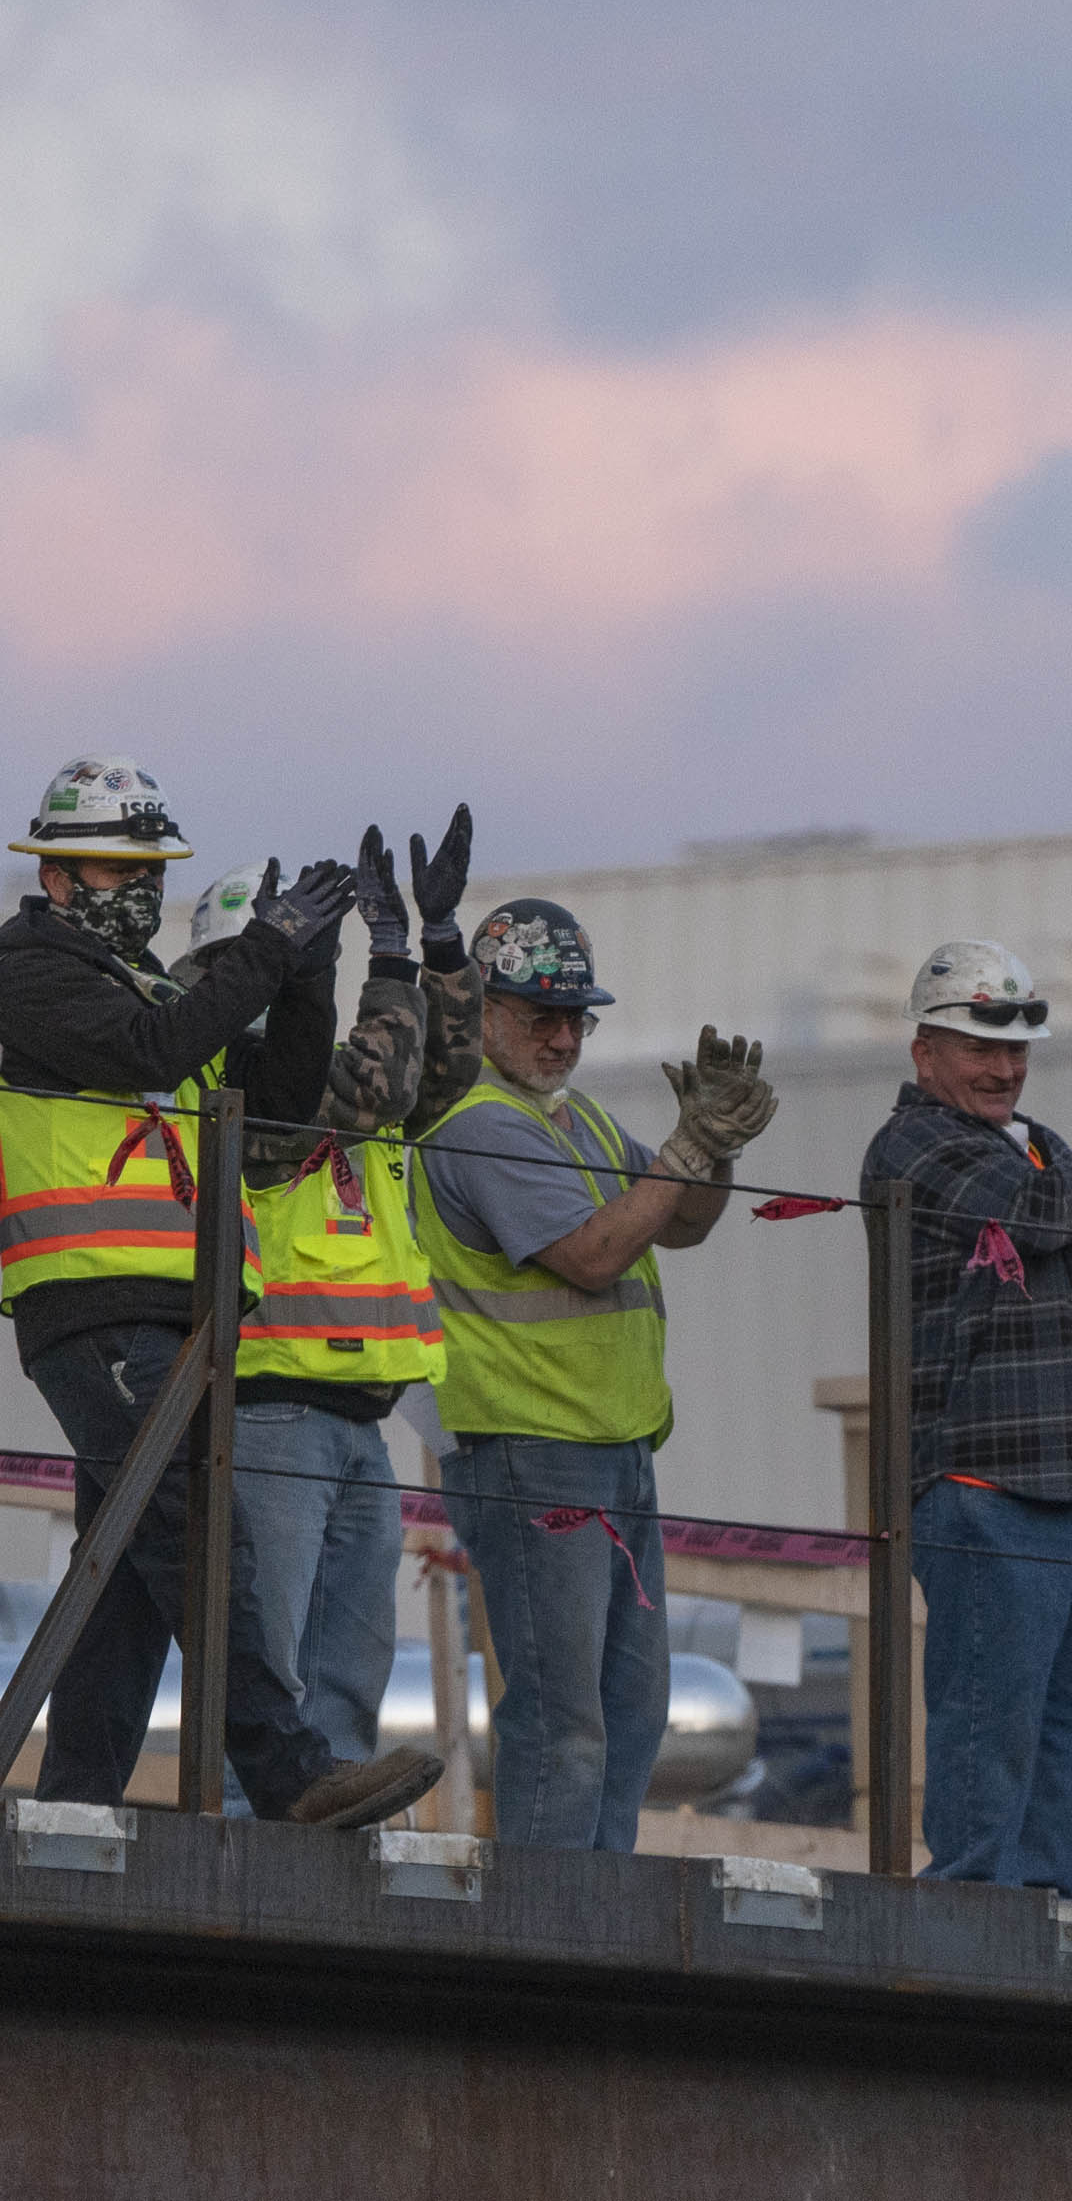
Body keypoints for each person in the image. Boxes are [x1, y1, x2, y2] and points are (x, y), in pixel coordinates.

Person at [0, 754, 441, 1826]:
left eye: (148, 866)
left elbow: (279, 1118)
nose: (138, 888)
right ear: (57, 878)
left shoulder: (141, 982)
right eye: (116, 868)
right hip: (93, 1299)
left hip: (177, 1315)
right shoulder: (25, 971)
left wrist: (305, 980)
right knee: (199, 1536)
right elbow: (155, 1048)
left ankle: (73, 1809)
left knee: (128, 1578)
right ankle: (291, 1774)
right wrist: (264, 947)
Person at [411, 899, 777, 1850]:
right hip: (534, 1450)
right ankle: (550, 1927)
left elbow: (682, 1221)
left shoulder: (570, 1120)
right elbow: (591, 1255)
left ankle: (591, 1911)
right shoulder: (481, 1124)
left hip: (605, 1446)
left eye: (576, 1019)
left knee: (626, 1711)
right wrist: (691, 1149)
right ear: (486, 1013)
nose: (564, 1037)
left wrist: (715, 1148)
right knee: (565, 1717)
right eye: (542, 1016)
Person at [859, 940, 1072, 1896]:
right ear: (924, 1052)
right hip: (983, 1485)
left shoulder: (1030, 1140)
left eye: (1017, 1049)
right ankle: (967, 1913)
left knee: (1068, 1721)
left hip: (1064, 1487)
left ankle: (1038, 1909)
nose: (1004, 1067)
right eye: (979, 1046)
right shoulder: (916, 1146)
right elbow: (1043, 1217)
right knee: (987, 1716)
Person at [177, 811, 481, 1788]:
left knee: (346, 1680)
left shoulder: (321, 1062)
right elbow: (380, 1084)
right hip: (271, 1405)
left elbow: (438, 1075)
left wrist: (436, 950)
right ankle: (240, 1869)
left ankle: (325, 1874)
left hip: (357, 1414)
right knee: (270, 1672)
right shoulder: (228, 1066)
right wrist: (385, 960)